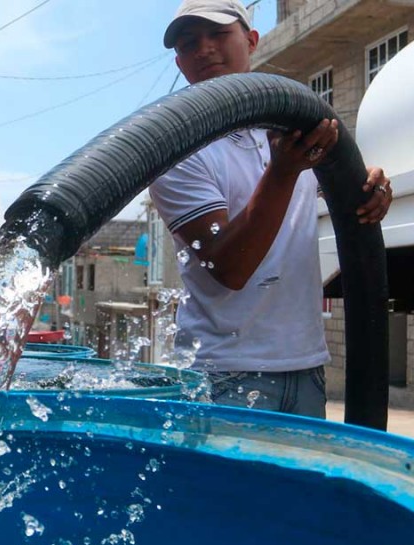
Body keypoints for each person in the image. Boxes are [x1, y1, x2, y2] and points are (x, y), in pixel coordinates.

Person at [149, 0, 394, 417]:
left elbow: (336, 189)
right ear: (180, 62)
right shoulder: (175, 150)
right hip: (222, 375)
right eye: (190, 43)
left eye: (218, 34)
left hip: (306, 368)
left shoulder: (292, 127)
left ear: (252, 40)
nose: (204, 48)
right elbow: (230, 268)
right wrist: (282, 173)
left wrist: (369, 188)